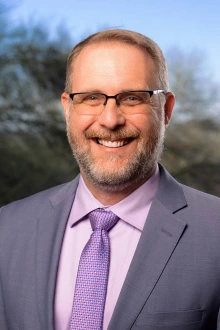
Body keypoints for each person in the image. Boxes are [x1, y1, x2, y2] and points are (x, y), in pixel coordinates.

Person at [0, 29, 220, 330]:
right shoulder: (7, 228)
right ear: (67, 108)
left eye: (132, 98)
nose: (110, 120)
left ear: (166, 110)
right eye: (91, 98)